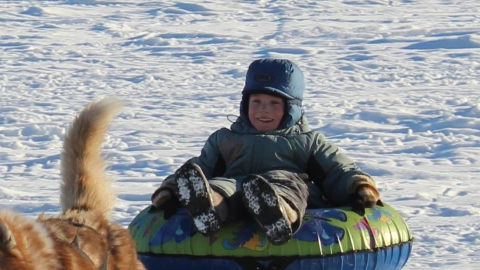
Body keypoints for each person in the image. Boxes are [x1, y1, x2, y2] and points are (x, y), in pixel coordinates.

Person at [151, 58, 381, 244]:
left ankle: (278, 213)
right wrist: (172, 189)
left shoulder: (308, 141)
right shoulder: (225, 139)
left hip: (289, 188)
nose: (263, 110)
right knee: (225, 186)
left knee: (283, 182)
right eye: (256, 102)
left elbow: (337, 169)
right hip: (239, 193)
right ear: (245, 104)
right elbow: (201, 167)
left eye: (274, 103)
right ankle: (209, 207)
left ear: (291, 109)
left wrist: (358, 185)